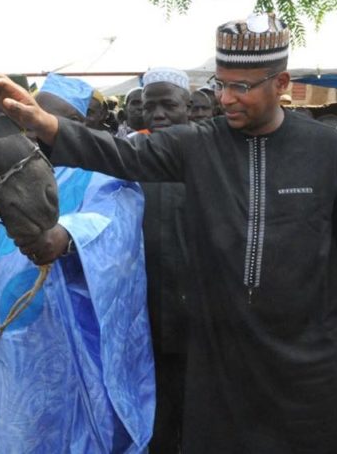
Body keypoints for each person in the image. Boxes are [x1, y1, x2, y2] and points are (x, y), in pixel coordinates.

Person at [0, 12, 337, 454]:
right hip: (222, 355)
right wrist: (43, 122)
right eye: (222, 84)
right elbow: (120, 153)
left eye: (241, 87)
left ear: (281, 83)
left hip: (309, 356)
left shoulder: (328, 149)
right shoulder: (200, 144)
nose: (226, 98)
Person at [0, 72, 154, 453]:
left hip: (61, 339)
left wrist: (67, 236)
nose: (33, 132)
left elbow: (115, 221)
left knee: (59, 427)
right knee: (7, 420)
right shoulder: (15, 169)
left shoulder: (102, 173)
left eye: (44, 121)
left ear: (74, 126)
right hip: (5, 332)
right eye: (29, 121)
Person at [137, 67, 192, 453]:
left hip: (200, 312)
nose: (158, 114)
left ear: (187, 106)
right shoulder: (129, 158)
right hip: (143, 310)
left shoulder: (213, 156)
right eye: (149, 106)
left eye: (168, 105)